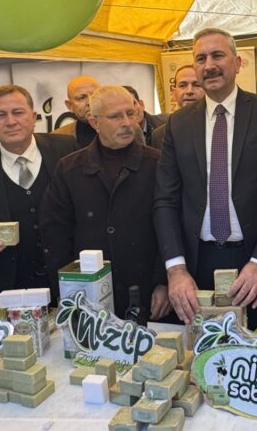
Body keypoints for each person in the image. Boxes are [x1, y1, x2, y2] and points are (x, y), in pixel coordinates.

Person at [154, 28, 257, 325]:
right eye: (201, 58)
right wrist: (175, 269)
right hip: (197, 265)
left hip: (254, 262)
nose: (209, 65)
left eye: (218, 55)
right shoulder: (178, 124)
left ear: (237, 62)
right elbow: (165, 200)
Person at [41, 86, 169, 319]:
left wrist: (164, 281)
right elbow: (55, 234)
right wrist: (67, 288)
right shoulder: (70, 169)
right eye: (115, 116)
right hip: (89, 292)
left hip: (147, 289)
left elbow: (171, 227)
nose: (127, 122)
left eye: (131, 113)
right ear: (94, 122)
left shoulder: (157, 163)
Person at [0, 85, 79, 298]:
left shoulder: (67, 149)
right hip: (9, 288)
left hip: (70, 280)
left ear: (33, 117)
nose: (11, 122)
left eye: (18, 112)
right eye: (0, 115)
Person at [151, 65, 204, 149]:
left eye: (196, 85)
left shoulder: (219, 126)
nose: (189, 91)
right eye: (183, 85)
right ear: (174, 93)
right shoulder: (160, 135)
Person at [52, 75, 101, 147]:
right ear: (70, 106)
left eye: (95, 95)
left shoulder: (119, 130)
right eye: (82, 98)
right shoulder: (56, 139)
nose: (90, 102)